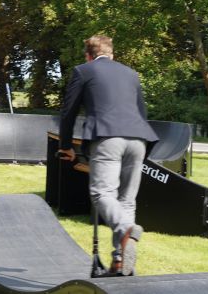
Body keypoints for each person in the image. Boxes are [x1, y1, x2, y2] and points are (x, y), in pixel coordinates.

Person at [58, 35, 159, 276]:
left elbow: (68, 112)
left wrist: (66, 145)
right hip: (138, 139)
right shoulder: (131, 74)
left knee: (102, 193)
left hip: (107, 138)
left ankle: (126, 229)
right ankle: (120, 262)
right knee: (126, 201)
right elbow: (142, 112)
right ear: (111, 54)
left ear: (88, 55)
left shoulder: (83, 71)